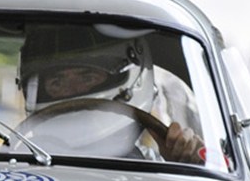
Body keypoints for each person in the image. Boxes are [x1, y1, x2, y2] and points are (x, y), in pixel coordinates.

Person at [16, 25, 205, 164]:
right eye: (56, 83)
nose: (72, 90)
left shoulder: (157, 170)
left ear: (134, 81)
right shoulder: (15, 164)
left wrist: (184, 161)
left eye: (88, 77)